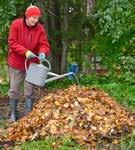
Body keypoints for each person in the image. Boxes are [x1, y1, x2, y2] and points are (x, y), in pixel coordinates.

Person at [7, 5, 50, 121]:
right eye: (33, 18)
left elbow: (44, 44)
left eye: (37, 18)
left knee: (29, 89)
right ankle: (13, 114)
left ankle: (28, 115)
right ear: (27, 16)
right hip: (16, 63)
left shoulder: (40, 28)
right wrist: (25, 52)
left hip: (32, 64)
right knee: (14, 89)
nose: (35, 20)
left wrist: (42, 53)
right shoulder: (16, 24)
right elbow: (12, 42)